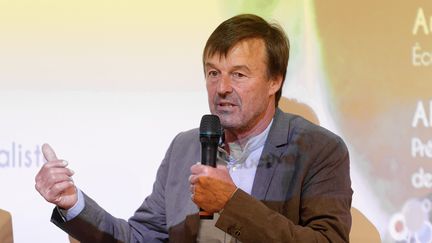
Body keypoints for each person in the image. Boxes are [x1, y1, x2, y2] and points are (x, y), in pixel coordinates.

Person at [35, 14, 352, 242]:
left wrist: (232, 204)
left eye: (239, 75)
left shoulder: (319, 150)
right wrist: (73, 203)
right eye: (213, 73)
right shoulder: (185, 147)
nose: (222, 88)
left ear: (275, 80)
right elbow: (140, 237)